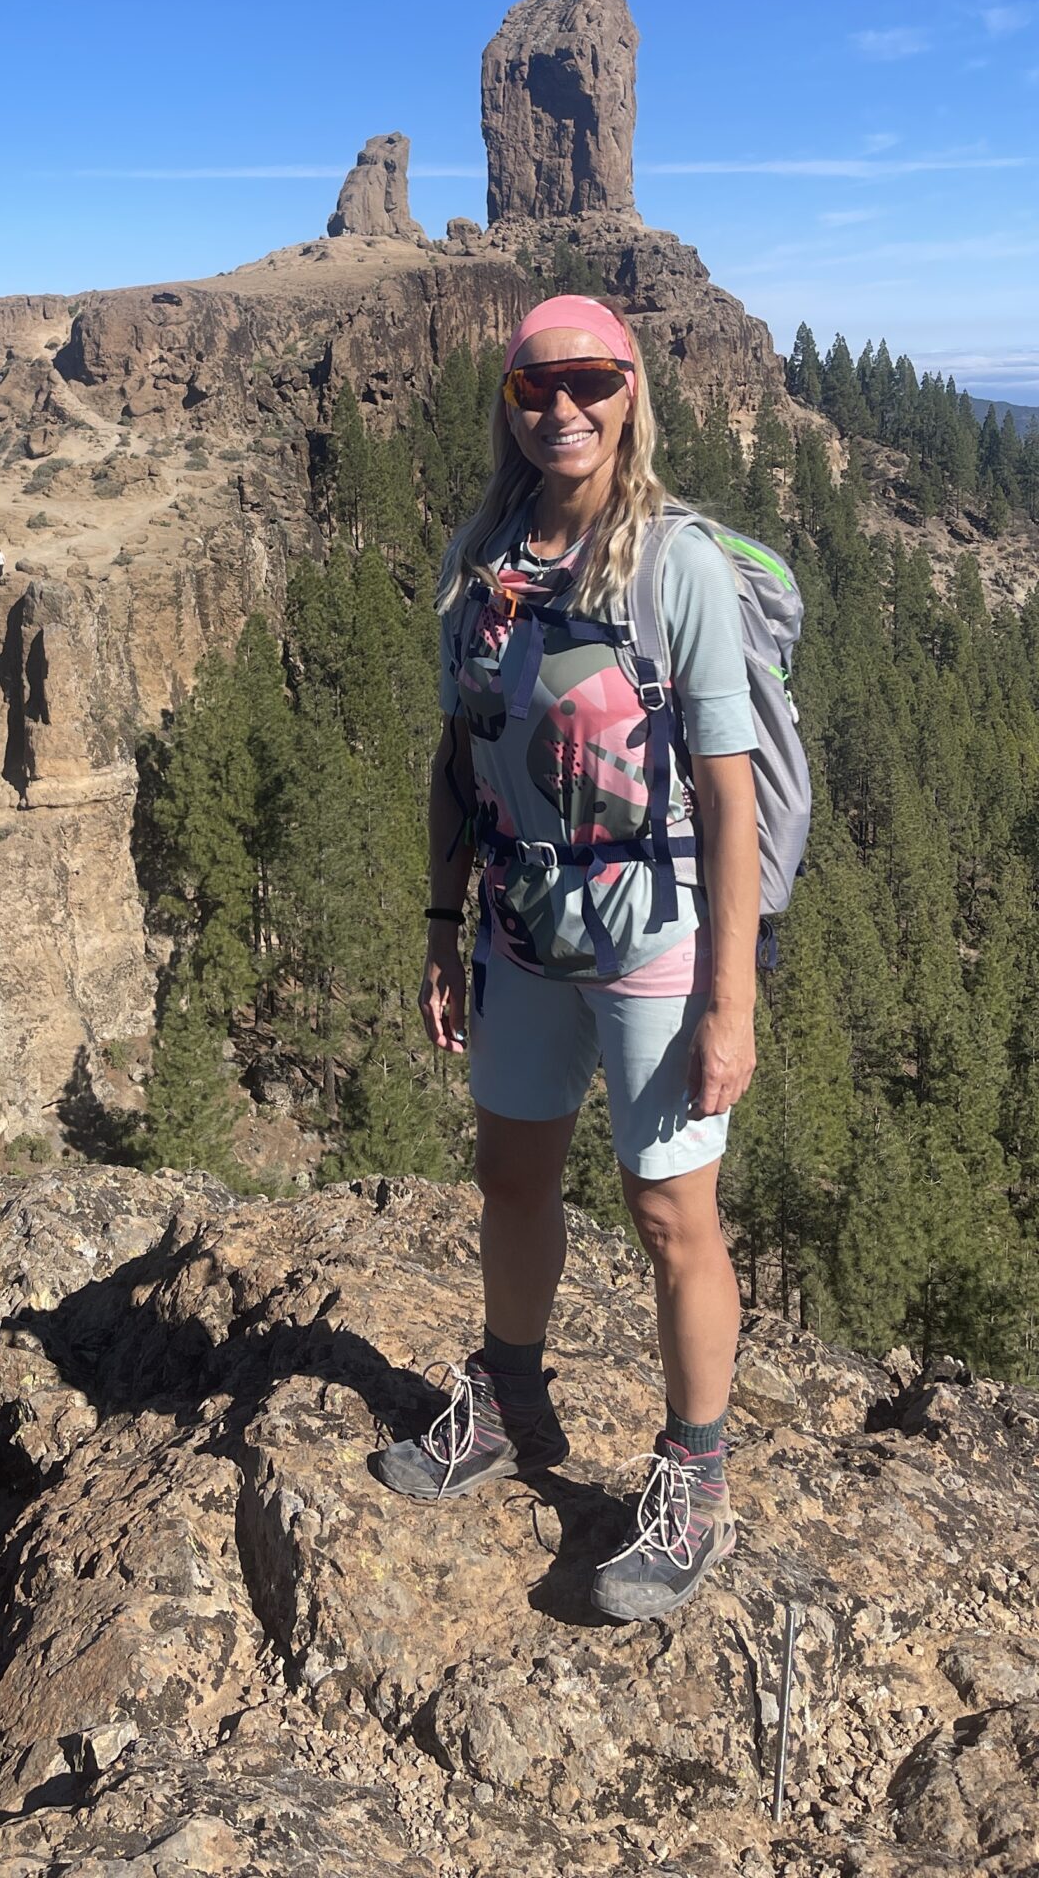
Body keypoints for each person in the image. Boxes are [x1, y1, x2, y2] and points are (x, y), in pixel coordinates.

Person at [376, 293, 761, 1623]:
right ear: (509, 402)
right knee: (512, 1176)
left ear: (634, 392)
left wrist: (731, 995)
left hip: (655, 941)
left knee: (671, 1217)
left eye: (592, 381)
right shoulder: (480, 563)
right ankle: (510, 1398)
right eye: (537, 386)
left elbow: (727, 793)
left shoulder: (676, 566)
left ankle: (695, 1476)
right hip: (521, 936)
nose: (565, 407)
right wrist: (440, 927)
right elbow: (453, 762)